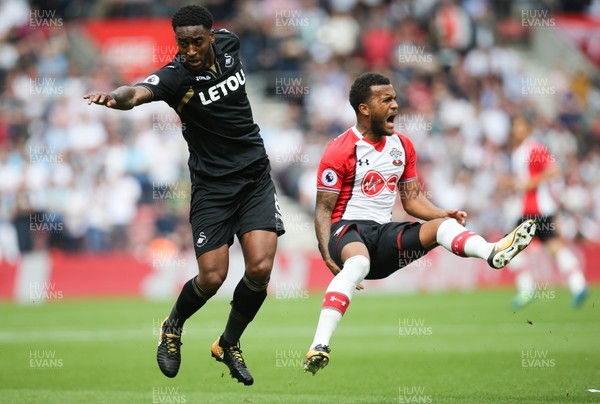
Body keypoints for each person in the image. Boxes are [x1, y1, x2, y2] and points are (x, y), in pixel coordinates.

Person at [84, 5, 284, 385]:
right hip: (213, 187)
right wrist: (116, 98)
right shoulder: (174, 78)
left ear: (210, 36)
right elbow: (138, 92)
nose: (189, 50)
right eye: (182, 43)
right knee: (212, 277)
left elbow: (235, 30)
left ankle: (228, 343)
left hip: (256, 177)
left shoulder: (229, 43)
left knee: (259, 269)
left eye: (196, 42)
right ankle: (173, 325)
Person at [303, 72, 536, 376]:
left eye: (395, 98)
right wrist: (327, 254)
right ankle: (320, 345)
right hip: (347, 231)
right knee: (357, 263)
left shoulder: (403, 146)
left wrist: (442, 212)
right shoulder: (340, 148)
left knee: (442, 227)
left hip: (383, 234)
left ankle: (491, 252)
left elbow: (412, 202)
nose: (395, 105)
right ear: (364, 108)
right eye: (385, 99)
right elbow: (323, 209)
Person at [507, 115, 588, 309]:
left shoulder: (534, 148)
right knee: (552, 246)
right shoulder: (518, 151)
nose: (516, 130)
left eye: (519, 125)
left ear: (527, 128)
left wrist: (529, 184)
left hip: (537, 209)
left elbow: (554, 170)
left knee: (509, 246)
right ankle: (578, 285)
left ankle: (527, 289)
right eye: (514, 126)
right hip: (529, 208)